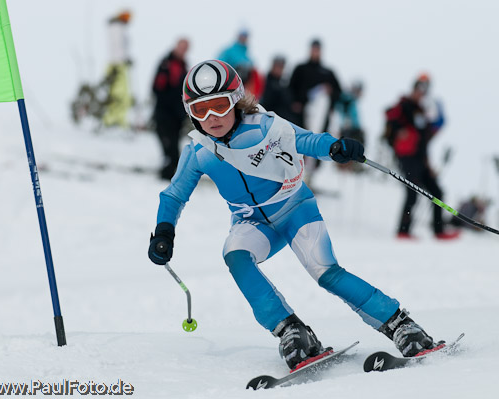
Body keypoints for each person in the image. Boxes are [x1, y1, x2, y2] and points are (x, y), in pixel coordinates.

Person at [147, 60, 440, 371]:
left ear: (235, 100)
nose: (212, 118)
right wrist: (164, 230)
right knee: (235, 255)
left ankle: (400, 324)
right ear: (190, 112)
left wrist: (335, 147)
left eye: (219, 106)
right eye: (201, 110)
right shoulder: (198, 151)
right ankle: (292, 331)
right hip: (253, 224)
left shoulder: (263, 126)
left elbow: (305, 140)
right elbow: (174, 195)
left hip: (295, 209)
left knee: (325, 272)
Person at [383, 74, 459, 240]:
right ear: (414, 88)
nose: (421, 92)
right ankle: (403, 230)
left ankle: (438, 231)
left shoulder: (422, 112)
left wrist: (428, 164)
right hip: (406, 157)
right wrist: (398, 132)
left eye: (425, 89)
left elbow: (425, 141)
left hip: (420, 158)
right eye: (420, 88)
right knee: (412, 191)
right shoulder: (403, 106)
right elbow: (389, 119)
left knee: (437, 191)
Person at [151, 38, 190, 180]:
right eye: (182, 47)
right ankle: (166, 178)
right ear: (176, 46)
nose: (183, 50)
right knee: (169, 150)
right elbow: (157, 88)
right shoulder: (166, 63)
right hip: (164, 114)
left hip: (177, 117)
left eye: (186, 48)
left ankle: (171, 177)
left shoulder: (184, 65)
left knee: (174, 150)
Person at [288, 39, 341, 133]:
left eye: (317, 50)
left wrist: (331, 93)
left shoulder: (328, 73)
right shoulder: (301, 69)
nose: (315, 52)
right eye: (313, 49)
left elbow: (338, 92)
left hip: (321, 115)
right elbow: (291, 87)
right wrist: (295, 102)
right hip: (302, 113)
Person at [102, 10, 134, 128]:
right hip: (118, 65)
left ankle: (118, 119)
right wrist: (124, 59)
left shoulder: (116, 28)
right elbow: (118, 47)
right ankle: (115, 120)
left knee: (120, 93)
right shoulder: (117, 27)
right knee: (119, 94)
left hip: (118, 64)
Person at [217, 30, 264, 99]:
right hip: (230, 84)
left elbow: (255, 77)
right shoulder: (228, 51)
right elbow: (220, 65)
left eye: (245, 36)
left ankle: (252, 98)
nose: (244, 38)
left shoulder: (248, 57)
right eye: (242, 35)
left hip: (244, 86)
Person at [260, 55, 293, 121]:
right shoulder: (265, 82)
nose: (279, 69)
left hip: (283, 119)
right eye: (278, 66)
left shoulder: (284, 83)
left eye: (281, 67)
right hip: (270, 118)